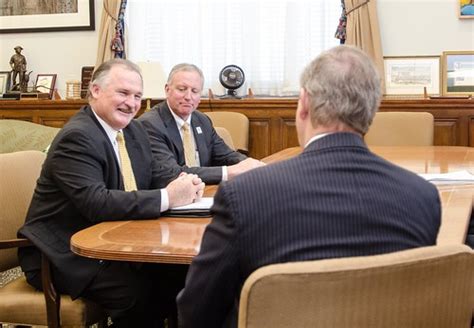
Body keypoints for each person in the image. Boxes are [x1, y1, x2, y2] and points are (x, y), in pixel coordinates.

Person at [176, 45, 441, 328]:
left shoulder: (245, 196)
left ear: (303, 104)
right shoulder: (422, 197)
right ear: (371, 111)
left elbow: (197, 312)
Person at [17, 59, 204, 328]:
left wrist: (187, 183)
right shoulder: (77, 137)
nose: (131, 103)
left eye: (137, 96)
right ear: (95, 91)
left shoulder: (134, 129)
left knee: (182, 275)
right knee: (139, 295)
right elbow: (98, 202)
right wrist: (169, 197)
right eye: (123, 93)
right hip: (63, 251)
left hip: (114, 240)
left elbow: (155, 175)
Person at [138, 63, 265, 184]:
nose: (188, 97)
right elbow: (171, 173)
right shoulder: (150, 124)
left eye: (194, 91)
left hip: (204, 192)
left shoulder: (202, 120)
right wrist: (229, 172)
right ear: (167, 90)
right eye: (182, 89)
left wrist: (253, 165)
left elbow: (225, 155)